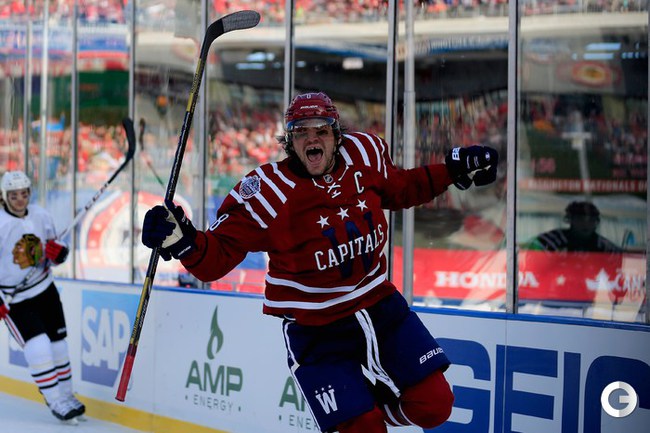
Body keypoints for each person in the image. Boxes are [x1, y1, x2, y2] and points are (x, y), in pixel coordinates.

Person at [142, 92, 499, 433]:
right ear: (290, 142)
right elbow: (214, 258)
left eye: (321, 130)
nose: (312, 139)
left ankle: (373, 409)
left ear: (336, 135)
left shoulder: (365, 154)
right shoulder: (267, 191)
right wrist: (182, 240)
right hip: (317, 329)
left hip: (380, 308)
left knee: (435, 404)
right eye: (301, 132)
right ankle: (361, 417)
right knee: (363, 429)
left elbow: (402, 187)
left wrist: (451, 171)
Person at [0, 170, 86, 422]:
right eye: (14, 195)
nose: (20, 199)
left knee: (59, 346)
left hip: (45, 289)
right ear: (4, 196)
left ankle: (67, 395)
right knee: (38, 347)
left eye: (23, 194)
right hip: (16, 299)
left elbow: (55, 250)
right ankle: (55, 400)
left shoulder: (41, 215)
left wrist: (59, 253)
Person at [525, 200, 622, 253]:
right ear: (570, 220)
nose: (585, 224)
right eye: (580, 219)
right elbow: (530, 256)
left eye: (591, 220)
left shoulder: (605, 247)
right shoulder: (550, 241)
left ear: (596, 222)